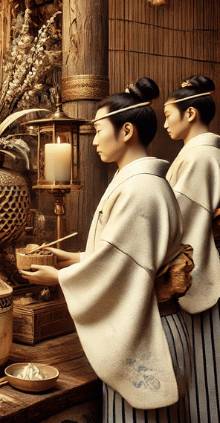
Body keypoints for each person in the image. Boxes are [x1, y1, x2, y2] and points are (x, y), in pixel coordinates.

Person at [20, 78, 192, 421]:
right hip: (150, 324)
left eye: (99, 130)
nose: (94, 140)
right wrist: (76, 260)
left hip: (150, 331)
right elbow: (127, 256)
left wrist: (61, 279)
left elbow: (125, 266)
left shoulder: (141, 188)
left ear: (126, 130)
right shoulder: (139, 181)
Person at [163, 75, 220, 423]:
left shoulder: (199, 158)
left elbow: (180, 226)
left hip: (203, 265)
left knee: (205, 370)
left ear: (191, 114)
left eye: (170, 113)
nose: (165, 121)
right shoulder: (206, 153)